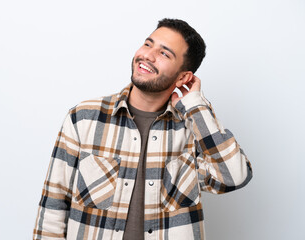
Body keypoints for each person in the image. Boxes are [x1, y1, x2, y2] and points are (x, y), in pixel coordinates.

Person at [33, 18, 252, 240]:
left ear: (183, 77)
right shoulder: (84, 118)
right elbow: (54, 204)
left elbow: (234, 177)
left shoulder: (193, 129)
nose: (148, 55)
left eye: (165, 53)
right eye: (148, 44)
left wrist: (195, 105)